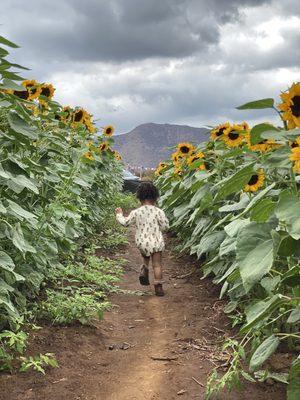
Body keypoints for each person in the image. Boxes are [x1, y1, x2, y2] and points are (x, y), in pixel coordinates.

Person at [115, 181, 169, 296]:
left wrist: (119, 214)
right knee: (157, 265)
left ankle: (144, 269)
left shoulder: (136, 212)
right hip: (156, 242)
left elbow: (125, 223)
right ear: (155, 197)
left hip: (142, 242)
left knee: (146, 255)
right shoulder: (159, 212)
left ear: (139, 198)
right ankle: (158, 287)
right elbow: (165, 226)